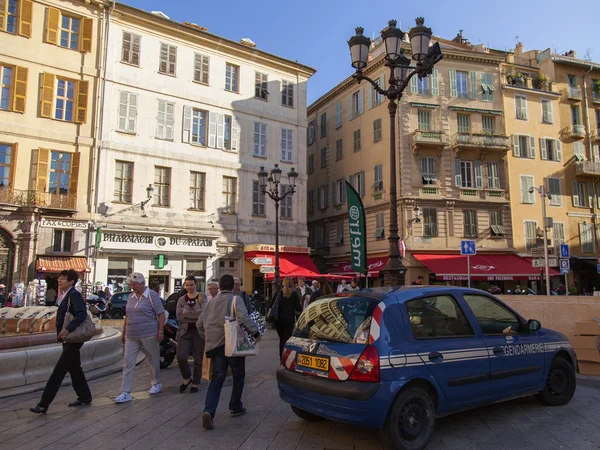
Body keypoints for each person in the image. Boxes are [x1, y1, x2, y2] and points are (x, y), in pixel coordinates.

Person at [197, 274, 260, 430]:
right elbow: (243, 317)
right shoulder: (235, 299)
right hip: (232, 345)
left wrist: (208, 337)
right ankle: (235, 406)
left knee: (217, 378)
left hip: (216, 346)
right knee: (238, 376)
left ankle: (209, 411)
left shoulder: (211, 302)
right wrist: (256, 332)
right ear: (232, 286)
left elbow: (199, 324)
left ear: (219, 287)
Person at [30, 270, 92, 414]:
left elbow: (82, 313)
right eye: (59, 278)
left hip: (73, 337)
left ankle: (43, 404)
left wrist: (68, 329)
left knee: (59, 370)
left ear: (71, 281)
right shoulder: (65, 295)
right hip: (68, 337)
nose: (60, 280)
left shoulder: (74, 295)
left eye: (63, 279)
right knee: (74, 367)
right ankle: (85, 396)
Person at [114, 273, 165, 404]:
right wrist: (124, 332)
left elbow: (160, 314)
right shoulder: (131, 297)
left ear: (143, 284)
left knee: (152, 359)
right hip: (132, 334)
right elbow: (127, 315)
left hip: (149, 332)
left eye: (135, 285)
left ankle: (156, 383)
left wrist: (160, 331)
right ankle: (125, 392)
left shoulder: (151, 295)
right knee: (128, 362)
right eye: (131, 285)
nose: (133, 288)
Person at [176, 275, 205, 393]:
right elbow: (179, 316)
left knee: (198, 358)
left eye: (191, 285)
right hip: (184, 331)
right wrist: (194, 314)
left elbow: (204, 313)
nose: (189, 287)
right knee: (181, 356)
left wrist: (187, 313)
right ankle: (187, 377)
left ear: (196, 284)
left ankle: (195, 383)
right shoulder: (181, 299)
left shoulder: (202, 297)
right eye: (187, 285)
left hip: (198, 331)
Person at [274, 278, 302, 360]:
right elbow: (298, 308)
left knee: (281, 339)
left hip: (278, 321)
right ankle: (286, 358)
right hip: (289, 321)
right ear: (292, 284)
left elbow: (271, 305)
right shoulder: (294, 294)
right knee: (286, 340)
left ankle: (281, 357)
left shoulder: (278, 294)